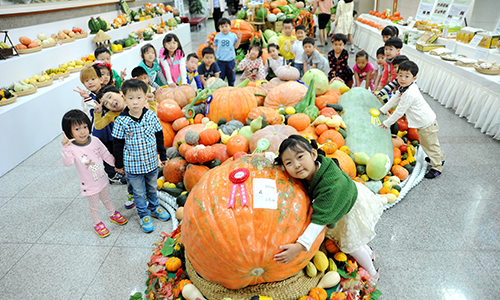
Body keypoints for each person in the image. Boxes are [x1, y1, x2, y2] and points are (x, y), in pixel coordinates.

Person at [266, 135, 383, 284]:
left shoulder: (330, 185)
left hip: (347, 207)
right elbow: (279, 160)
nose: (296, 165)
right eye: (289, 162)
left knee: (353, 245)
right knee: (355, 236)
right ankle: (370, 253)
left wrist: (299, 246)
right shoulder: (311, 168)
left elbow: (319, 222)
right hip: (339, 202)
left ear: (314, 154)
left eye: (300, 157)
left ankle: (372, 274)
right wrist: (266, 156)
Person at [112, 79, 171, 233]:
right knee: (138, 192)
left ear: (146, 98)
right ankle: (144, 215)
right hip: (133, 165)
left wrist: (163, 156)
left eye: (139, 97)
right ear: (124, 99)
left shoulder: (151, 116)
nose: (135, 102)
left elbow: (159, 136)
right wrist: (119, 164)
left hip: (151, 163)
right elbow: (117, 144)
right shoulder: (121, 121)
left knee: (152, 188)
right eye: (131, 98)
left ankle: (154, 207)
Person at [61, 109, 128, 238]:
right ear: (68, 132)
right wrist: (65, 148)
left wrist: (117, 166)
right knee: (94, 206)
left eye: (85, 127)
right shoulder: (72, 148)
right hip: (89, 185)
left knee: (107, 198)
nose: (82, 131)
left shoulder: (95, 140)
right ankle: (97, 223)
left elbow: (105, 154)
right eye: (77, 129)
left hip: (102, 179)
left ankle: (112, 213)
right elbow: (67, 162)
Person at [379, 61, 445, 179]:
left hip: (427, 123)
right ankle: (438, 157)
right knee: (428, 144)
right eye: (400, 75)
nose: (402, 79)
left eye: (407, 76)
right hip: (423, 123)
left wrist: (386, 123)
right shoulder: (404, 87)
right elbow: (395, 99)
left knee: (430, 145)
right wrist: (383, 110)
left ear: (414, 78)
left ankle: (437, 167)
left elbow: (399, 111)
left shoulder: (410, 92)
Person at [214, 18, 242, 86]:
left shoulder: (233, 35)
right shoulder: (217, 36)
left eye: (226, 26)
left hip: (230, 61)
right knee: (220, 78)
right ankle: (221, 90)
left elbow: (236, 46)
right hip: (221, 61)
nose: (224, 28)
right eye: (222, 27)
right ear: (219, 28)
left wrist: (239, 38)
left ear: (230, 26)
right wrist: (214, 57)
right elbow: (215, 47)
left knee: (231, 78)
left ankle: (231, 88)